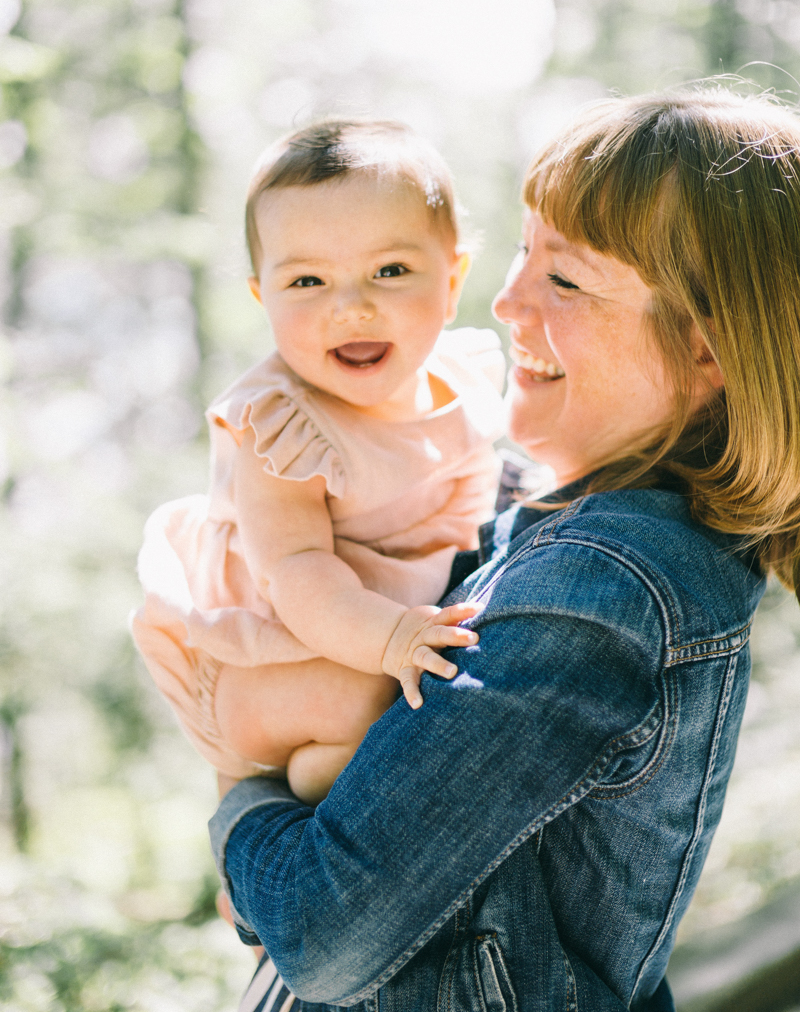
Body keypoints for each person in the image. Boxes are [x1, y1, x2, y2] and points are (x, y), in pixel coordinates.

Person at [208, 85, 800, 1011]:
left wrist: (241, 806)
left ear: (706, 350)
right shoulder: (558, 531)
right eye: (523, 255)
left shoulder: (599, 586)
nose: (506, 300)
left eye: (564, 279)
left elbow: (324, 930)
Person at [132, 120, 505, 805]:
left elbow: (474, 505)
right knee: (372, 700)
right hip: (270, 657)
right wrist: (392, 636)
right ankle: (267, 804)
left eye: (390, 271)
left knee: (413, 689)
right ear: (263, 299)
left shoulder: (467, 379)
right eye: (307, 280)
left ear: (452, 281)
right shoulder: (284, 433)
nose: (351, 306)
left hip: (376, 633)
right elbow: (297, 574)